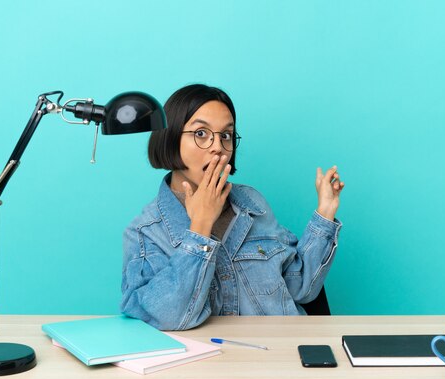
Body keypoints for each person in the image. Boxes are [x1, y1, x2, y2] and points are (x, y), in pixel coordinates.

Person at [120, 84, 345, 330]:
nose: (218, 147)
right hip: (212, 364)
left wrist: (324, 212)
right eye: (201, 133)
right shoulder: (144, 232)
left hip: (285, 354)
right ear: (171, 137)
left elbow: (301, 288)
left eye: (225, 135)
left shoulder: (253, 204)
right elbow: (167, 318)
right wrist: (200, 227)